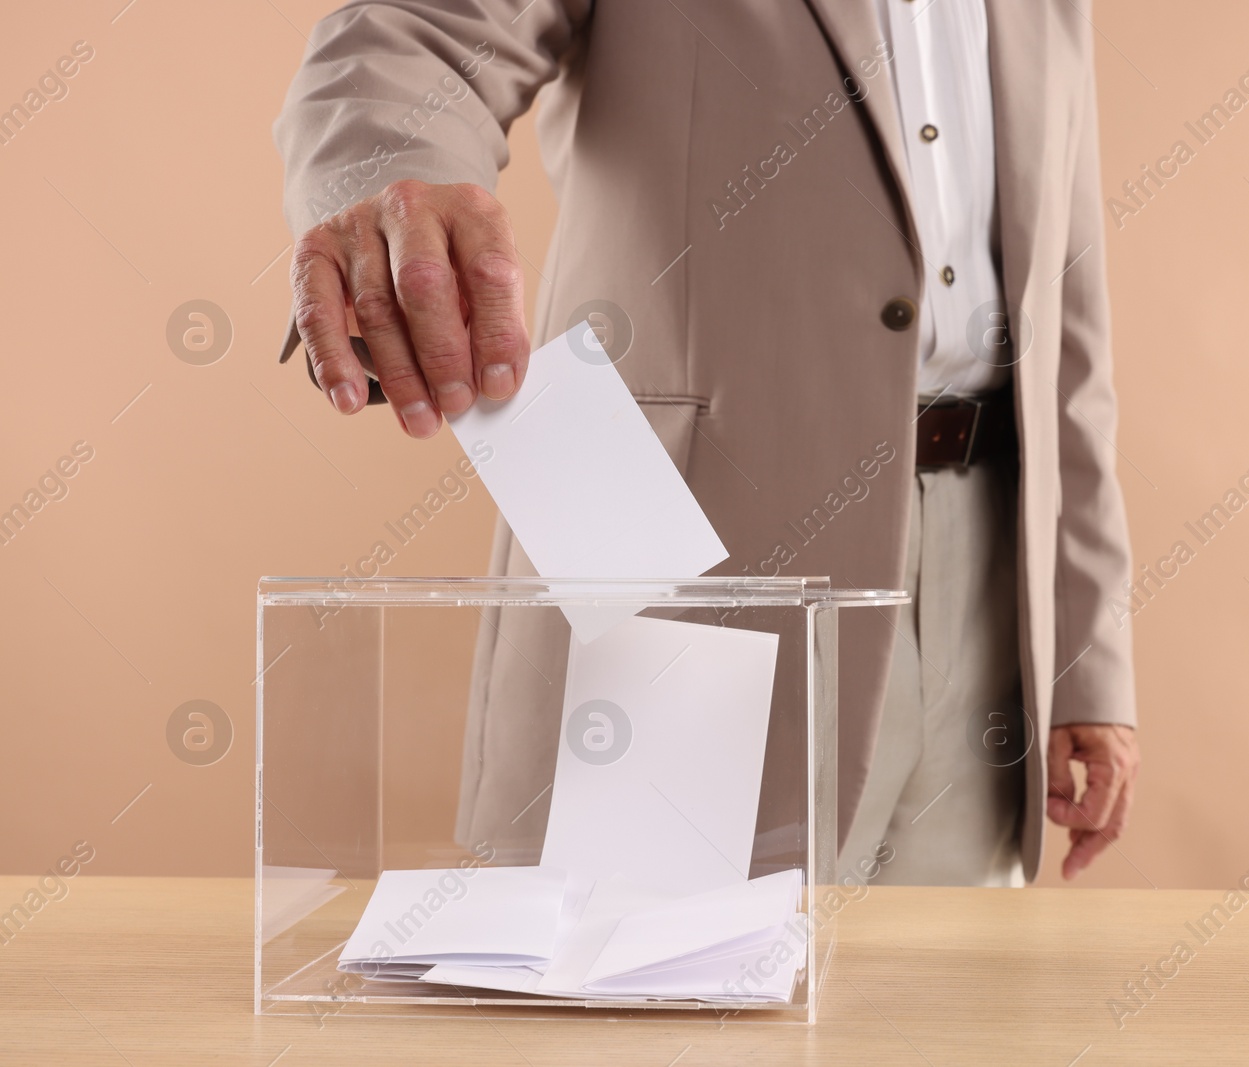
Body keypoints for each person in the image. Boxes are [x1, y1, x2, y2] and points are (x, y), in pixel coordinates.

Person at [274, 0, 1138, 886]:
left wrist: (1087, 658)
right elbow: (411, 35)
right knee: (650, 988)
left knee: (934, 1007)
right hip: (692, 549)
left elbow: (1068, 316)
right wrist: (392, 189)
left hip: (994, 578)